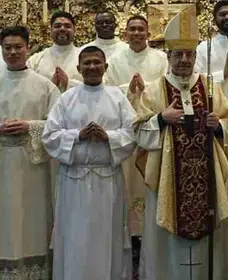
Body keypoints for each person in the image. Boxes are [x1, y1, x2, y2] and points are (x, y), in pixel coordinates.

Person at [133, 7, 228, 280]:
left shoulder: (210, 87)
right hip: (168, 179)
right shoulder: (155, 90)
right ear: (169, 56)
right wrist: (161, 119)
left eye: (189, 55)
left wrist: (219, 127)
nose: (184, 60)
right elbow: (138, 132)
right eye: (178, 54)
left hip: (206, 177)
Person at [43, 46, 137, 280]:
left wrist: (109, 137)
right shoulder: (66, 99)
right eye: (87, 63)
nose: (92, 67)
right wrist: (78, 135)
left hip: (108, 181)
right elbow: (49, 136)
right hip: (73, 183)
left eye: (97, 62)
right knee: (75, 237)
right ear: (79, 68)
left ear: (105, 67)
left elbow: (133, 133)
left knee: (108, 237)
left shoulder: (118, 98)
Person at [0, 26, 62, 279]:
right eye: (7, 48)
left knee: (33, 221)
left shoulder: (45, 87)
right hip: (0, 166)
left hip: (32, 166)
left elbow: (57, 124)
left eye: (18, 47)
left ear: (28, 48)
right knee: (2, 221)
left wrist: (30, 126)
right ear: (1, 49)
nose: (13, 52)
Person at [104, 15, 168, 239]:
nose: (137, 33)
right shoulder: (114, 60)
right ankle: (128, 233)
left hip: (153, 131)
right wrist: (129, 90)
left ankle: (152, 231)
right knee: (128, 181)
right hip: (127, 129)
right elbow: (108, 93)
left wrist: (147, 89)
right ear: (125, 34)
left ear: (148, 33)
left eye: (141, 29)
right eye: (133, 29)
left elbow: (167, 89)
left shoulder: (161, 58)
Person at [28, 11, 82, 92]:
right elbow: (26, 88)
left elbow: (96, 87)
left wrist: (69, 83)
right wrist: (50, 86)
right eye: (57, 26)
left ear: (74, 30)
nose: (62, 29)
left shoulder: (85, 57)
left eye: (67, 26)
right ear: (51, 30)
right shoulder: (35, 60)